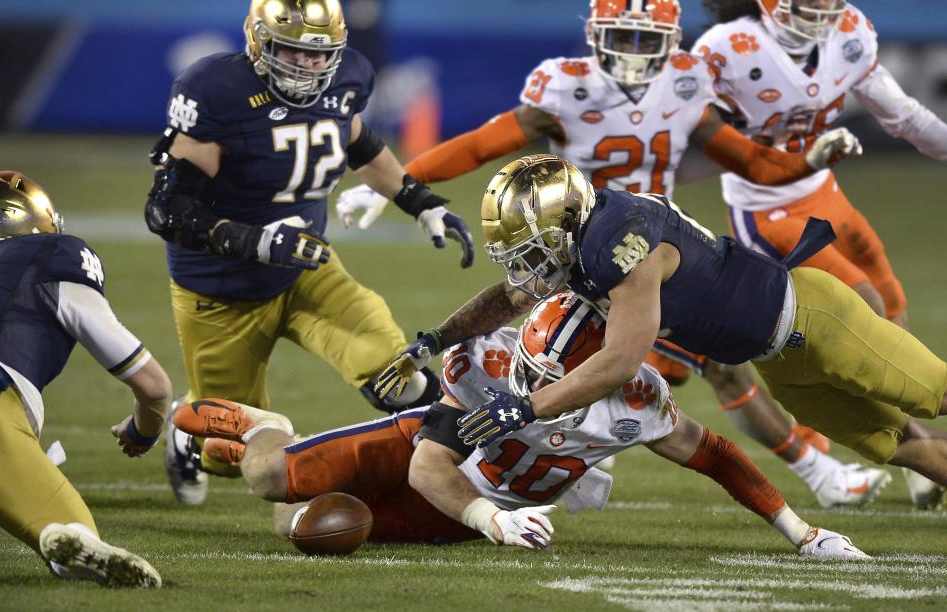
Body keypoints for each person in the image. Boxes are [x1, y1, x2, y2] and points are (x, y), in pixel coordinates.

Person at [339, 0, 885, 508]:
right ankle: (814, 472)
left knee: (676, 373)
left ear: (671, 42)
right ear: (595, 36)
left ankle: (813, 471)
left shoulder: (684, 84)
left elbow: (754, 164)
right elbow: (484, 144)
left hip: (652, 256)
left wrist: (807, 160)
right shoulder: (567, 87)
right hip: (570, 255)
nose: (633, 53)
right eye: (621, 36)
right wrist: (398, 184)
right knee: (582, 371)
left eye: (647, 41)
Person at [383, 155, 947, 491]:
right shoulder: (583, 238)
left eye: (535, 250)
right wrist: (434, 339)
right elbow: (507, 300)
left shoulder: (619, 242)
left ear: (566, 224)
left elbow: (620, 362)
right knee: (895, 444)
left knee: (935, 394)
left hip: (817, 319)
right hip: (778, 362)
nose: (529, 267)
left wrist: (527, 406)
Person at [173, 293, 866, 558]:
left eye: (550, 378)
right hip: (424, 456)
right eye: (528, 367)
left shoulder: (634, 400)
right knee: (269, 478)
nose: (527, 383)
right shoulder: (486, 360)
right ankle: (269, 423)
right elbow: (428, 466)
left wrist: (801, 535)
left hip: (470, 511)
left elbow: (713, 454)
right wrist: (493, 521)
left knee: (301, 531)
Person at [144, 0, 474, 505]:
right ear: (260, 43)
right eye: (293, 53)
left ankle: (461, 467)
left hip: (306, 268)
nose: (308, 66)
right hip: (221, 289)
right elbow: (167, 210)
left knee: (394, 367)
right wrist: (256, 240)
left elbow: (358, 141)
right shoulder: (219, 91)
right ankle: (186, 429)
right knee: (229, 453)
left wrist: (418, 201)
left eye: (319, 56)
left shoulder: (348, 76)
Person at [693, 0, 947, 506]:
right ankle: (900, 453)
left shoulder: (849, 33)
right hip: (767, 210)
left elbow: (903, 115)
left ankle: (920, 455)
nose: (819, 9)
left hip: (823, 191)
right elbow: (674, 110)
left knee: (892, 304)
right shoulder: (727, 48)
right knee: (864, 311)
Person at [0, 171, 171, 587]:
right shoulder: (51, 252)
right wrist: (143, 432)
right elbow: (154, 386)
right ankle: (67, 539)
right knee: (73, 537)